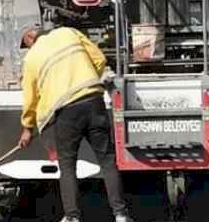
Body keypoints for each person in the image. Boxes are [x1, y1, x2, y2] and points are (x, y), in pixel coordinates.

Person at [18, 25, 131, 222]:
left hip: (66, 111)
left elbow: (30, 97)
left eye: (26, 44)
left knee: (68, 165)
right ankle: (120, 214)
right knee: (106, 160)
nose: (27, 48)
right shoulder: (69, 32)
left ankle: (72, 216)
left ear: (30, 38)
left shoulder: (32, 57)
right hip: (94, 101)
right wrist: (86, 81)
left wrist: (28, 127)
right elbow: (99, 59)